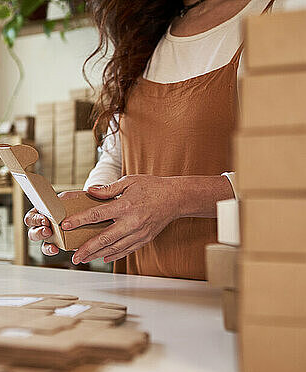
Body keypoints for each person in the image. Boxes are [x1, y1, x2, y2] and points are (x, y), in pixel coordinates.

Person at [25, 0, 277, 280]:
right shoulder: (147, 33)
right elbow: (115, 157)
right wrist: (83, 213)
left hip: (235, 292)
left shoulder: (281, 14)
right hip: (140, 287)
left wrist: (177, 198)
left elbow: (300, 178)